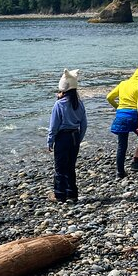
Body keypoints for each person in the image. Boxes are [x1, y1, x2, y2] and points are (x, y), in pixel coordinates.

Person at [47, 69, 87, 203]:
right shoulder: (79, 103)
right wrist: (79, 138)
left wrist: (50, 141)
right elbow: (84, 124)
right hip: (74, 136)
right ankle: (72, 193)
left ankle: (59, 194)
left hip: (62, 138)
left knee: (60, 167)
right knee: (71, 166)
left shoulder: (59, 104)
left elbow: (54, 126)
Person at [106, 66, 138, 178]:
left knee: (122, 145)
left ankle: (120, 172)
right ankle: (136, 162)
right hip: (134, 117)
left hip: (121, 116)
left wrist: (118, 108)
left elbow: (109, 97)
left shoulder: (123, 83)